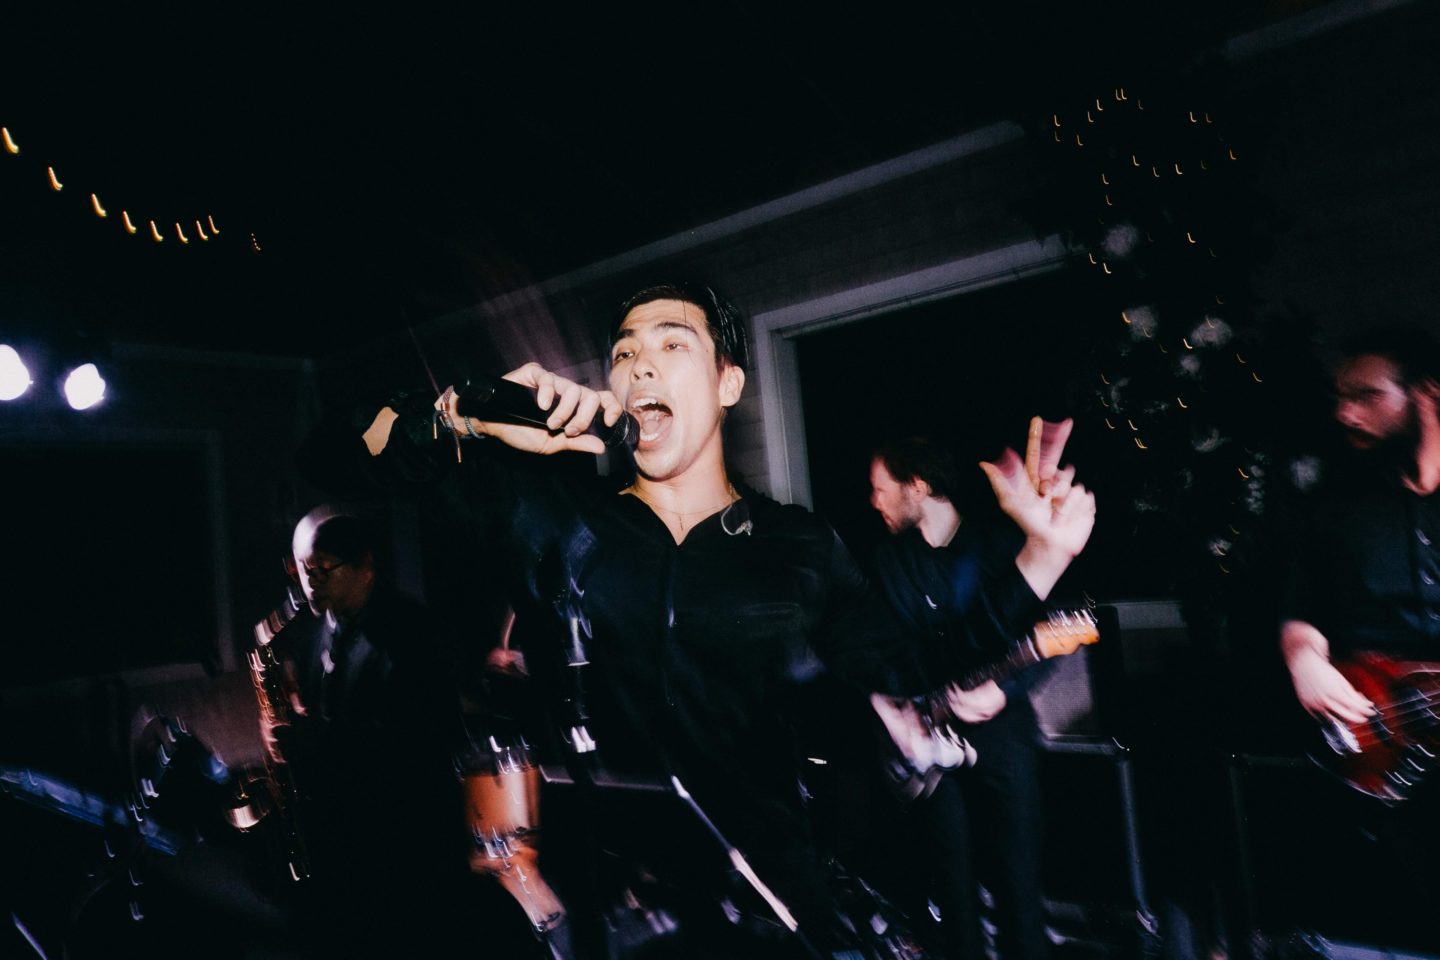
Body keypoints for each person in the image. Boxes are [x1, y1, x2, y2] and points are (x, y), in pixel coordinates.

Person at [307, 282, 1096, 957]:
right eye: (622, 351)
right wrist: (469, 417)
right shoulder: (559, 521)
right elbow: (339, 455)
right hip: (627, 908)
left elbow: (923, 663)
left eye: (671, 344)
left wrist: (1043, 559)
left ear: (727, 384)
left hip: (771, 902)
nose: (638, 361)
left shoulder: (798, 546)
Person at [860, 436, 1058, 960]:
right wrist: (894, 707)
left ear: (918, 486)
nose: (874, 502)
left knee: (1020, 895)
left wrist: (1004, 687)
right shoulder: (888, 563)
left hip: (1002, 738)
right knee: (952, 898)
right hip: (928, 749)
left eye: (882, 490)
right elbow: (883, 654)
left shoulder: (996, 546)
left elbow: (1047, 639)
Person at [1279, 327, 1440, 952]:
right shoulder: (1336, 504)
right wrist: (1304, 659)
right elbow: (1302, 607)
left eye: (1366, 395)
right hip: (1376, 741)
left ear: (1427, 395)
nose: (1344, 412)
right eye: (1340, 396)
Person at [260, 507, 474, 957]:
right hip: (346, 837)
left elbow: (425, 743)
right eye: (302, 570)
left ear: (365, 567)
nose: (309, 582)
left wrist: (320, 738)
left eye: (323, 570)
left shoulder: (414, 632)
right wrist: (289, 727)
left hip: (407, 844)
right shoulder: (316, 633)